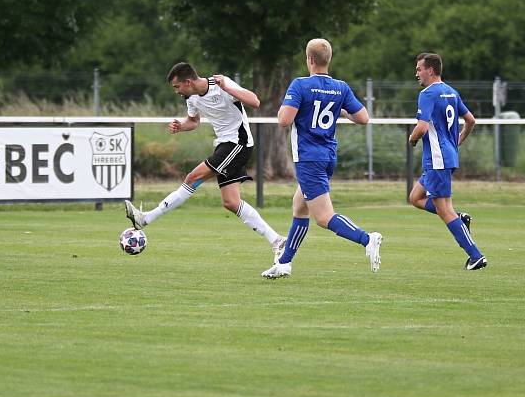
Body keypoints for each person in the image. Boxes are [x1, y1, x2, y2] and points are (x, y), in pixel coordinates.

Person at [125, 62, 286, 261]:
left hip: (238, 143)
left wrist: (227, 87)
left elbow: (255, 101)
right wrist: (181, 126)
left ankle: (147, 218)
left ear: (188, 81)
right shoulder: (191, 97)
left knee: (192, 178)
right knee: (231, 202)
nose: (176, 91)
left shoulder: (222, 83)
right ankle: (277, 240)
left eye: (177, 87)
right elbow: (193, 121)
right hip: (224, 145)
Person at [261, 38, 383, 279]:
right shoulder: (341, 87)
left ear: (309, 60)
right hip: (327, 156)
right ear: (328, 60)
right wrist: (343, 111)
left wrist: (283, 109)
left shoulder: (300, 85)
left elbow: (284, 120)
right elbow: (363, 118)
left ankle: (367, 238)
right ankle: (284, 263)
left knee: (324, 217)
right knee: (299, 207)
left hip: (308, 158)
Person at [407, 53, 486, 270]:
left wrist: (412, 139)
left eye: (419, 69)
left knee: (444, 209)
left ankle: (475, 256)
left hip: (437, 159)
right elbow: (470, 120)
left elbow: (421, 128)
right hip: (446, 157)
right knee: (415, 197)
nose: (417, 73)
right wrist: (456, 141)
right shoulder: (451, 92)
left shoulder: (427, 93)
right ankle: (459, 218)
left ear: (430, 70)